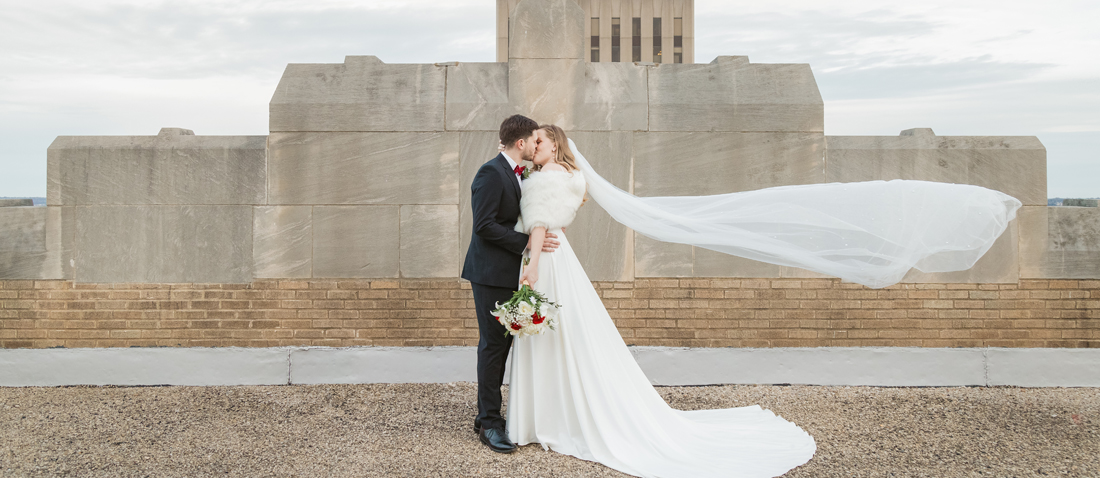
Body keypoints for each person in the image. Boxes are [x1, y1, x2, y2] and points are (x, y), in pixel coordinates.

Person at [503, 123, 1020, 477]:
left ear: (557, 145)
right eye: (534, 142)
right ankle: (557, 414)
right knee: (566, 338)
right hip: (561, 259)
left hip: (548, 259)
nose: (536, 147)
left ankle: (546, 417)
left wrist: (529, 268)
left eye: (542, 141)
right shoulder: (572, 178)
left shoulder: (548, 178)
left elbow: (540, 228)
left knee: (549, 333)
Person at [460, 114, 561, 454]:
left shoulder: (521, 173)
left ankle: (491, 414)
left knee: (506, 346)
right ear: (521, 143)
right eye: (534, 140)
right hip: (490, 274)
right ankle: (489, 422)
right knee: (493, 347)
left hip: (510, 273)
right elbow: (484, 225)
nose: (537, 145)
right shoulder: (491, 172)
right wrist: (526, 244)